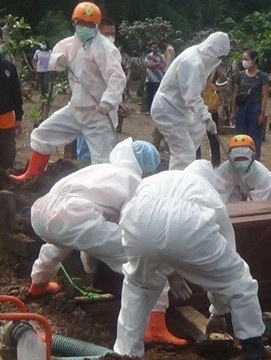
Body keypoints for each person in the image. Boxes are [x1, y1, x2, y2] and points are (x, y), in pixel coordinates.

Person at [28, 137, 187, 346]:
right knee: (147, 260)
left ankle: (38, 283)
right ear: (145, 168)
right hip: (75, 217)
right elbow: (135, 228)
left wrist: (91, 256)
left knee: (57, 244)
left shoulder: (100, 169)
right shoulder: (132, 181)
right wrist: (172, 271)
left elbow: (87, 223)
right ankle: (155, 326)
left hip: (41, 213)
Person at [114, 160, 271, 359]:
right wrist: (219, 311)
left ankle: (125, 353)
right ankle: (254, 350)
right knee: (239, 282)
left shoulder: (160, 178)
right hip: (188, 224)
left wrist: (171, 272)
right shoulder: (209, 194)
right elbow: (226, 269)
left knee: (138, 287)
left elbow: (158, 229)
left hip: (138, 220)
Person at [10, 2, 126, 182]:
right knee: (44, 134)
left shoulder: (105, 49)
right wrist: (58, 60)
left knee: (103, 161)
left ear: (96, 26)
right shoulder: (69, 44)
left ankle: (102, 194)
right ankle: (31, 176)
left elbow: (117, 78)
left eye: (89, 25)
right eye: (81, 23)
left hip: (98, 115)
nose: (84, 28)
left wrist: (108, 101)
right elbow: (54, 56)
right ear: (74, 23)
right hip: (75, 109)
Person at [151, 32, 229, 170]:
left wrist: (204, 120)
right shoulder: (192, 63)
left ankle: (182, 179)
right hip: (167, 109)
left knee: (193, 139)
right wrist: (206, 117)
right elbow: (191, 97)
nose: (218, 59)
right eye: (218, 56)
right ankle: (178, 186)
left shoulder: (197, 56)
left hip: (179, 109)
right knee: (184, 154)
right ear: (212, 50)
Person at [76, 16, 124, 162]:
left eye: (113, 34)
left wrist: (111, 101)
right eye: (107, 34)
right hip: (87, 108)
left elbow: (116, 80)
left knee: (103, 153)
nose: (110, 37)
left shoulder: (112, 52)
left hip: (104, 110)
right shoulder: (86, 51)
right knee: (85, 152)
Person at [216, 134, 271, 203]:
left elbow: (258, 200)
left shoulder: (261, 173)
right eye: (237, 159)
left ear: (253, 156)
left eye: (244, 158)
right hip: (239, 196)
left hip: (264, 196)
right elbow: (220, 191)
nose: (240, 162)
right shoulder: (225, 169)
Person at [231, 49, 269, 161]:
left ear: (254, 60)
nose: (244, 62)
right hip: (241, 108)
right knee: (239, 136)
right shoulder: (240, 75)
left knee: (254, 137)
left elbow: (264, 96)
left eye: (246, 59)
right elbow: (235, 94)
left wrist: (262, 113)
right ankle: (239, 160)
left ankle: (255, 161)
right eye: (243, 59)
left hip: (255, 108)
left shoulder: (262, 77)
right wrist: (233, 112)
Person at [0, 32, 23, 171]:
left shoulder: (9, 68)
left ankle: (6, 186)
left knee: (7, 155)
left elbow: (16, 94)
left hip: (6, 119)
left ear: (1, 40)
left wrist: (19, 118)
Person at [143, 41, 165, 114]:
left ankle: (156, 111)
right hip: (150, 79)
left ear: (158, 48)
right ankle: (148, 110)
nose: (155, 49)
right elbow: (147, 65)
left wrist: (152, 65)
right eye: (153, 47)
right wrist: (158, 64)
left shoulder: (162, 56)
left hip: (159, 79)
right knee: (149, 95)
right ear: (151, 48)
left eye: (156, 47)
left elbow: (163, 66)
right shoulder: (148, 56)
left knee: (158, 96)